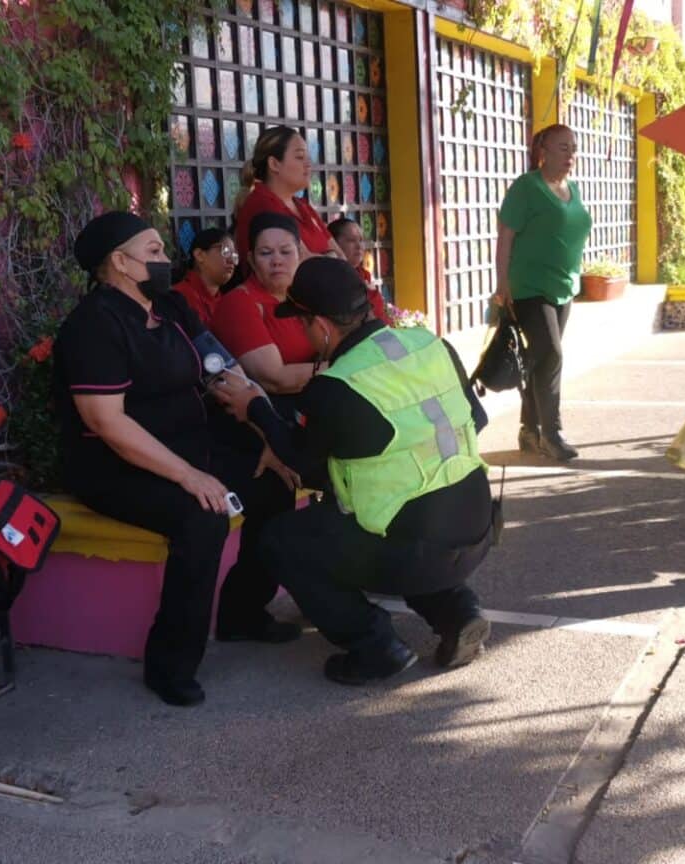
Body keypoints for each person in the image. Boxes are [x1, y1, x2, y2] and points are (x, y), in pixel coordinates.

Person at [52, 212, 300, 709]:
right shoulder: (93, 326)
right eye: (153, 252)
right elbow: (108, 424)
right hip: (115, 465)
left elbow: (223, 371)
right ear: (120, 263)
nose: (167, 259)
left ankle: (241, 614)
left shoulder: (170, 308)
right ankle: (170, 664)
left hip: (190, 447)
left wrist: (265, 433)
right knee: (202, 518)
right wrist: (190, 477)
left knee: (272, 486)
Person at [210, 258, 496, 685]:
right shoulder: (428, 343)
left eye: (304, 326)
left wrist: (256, 409)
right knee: (410, 520)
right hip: (479, 525)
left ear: (322, 326)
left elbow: (305, 469)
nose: (305, 337)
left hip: (414, 550)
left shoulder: (338, 384)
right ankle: (458, 611)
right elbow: (477, 418)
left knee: (283, 539)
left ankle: (375, 645)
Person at [494, 124, 593, 462]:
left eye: (574, 148)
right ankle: (552, 434)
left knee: (540, 359)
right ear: (543, 151)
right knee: (551, 353)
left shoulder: (572, 188)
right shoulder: (527, 187)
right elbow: (506, 235)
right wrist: (502, 283)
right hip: (529, 287)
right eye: (563, 147)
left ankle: (528, 430)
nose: (571, 155)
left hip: (563, 287)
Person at [212, 213, 319, 395]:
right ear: (252, 260)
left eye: (285, 252)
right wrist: (344, 367)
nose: (277, 261)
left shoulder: (308, 296)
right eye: (266, 253)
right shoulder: (238, 303)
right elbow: (274, 380)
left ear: (300, 255)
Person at [232, 125, 334, 264]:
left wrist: (332, 259)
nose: (308, 164)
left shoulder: (302, 206)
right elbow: (304, 264)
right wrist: (332, 258)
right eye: (299, 157)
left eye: (307, 157)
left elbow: (340, 256)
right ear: (274, 164)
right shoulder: (263, 205)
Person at [327, 216, 393, 325]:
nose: (359, 246)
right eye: (351, 240)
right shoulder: (331, 280)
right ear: (334, 245)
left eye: (361, 240)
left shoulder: (363, 274)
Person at [173, 227, 238, 327]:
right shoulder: (178, 298)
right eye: (225, 251)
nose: (232, 261)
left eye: (234, 256)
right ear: (199, 255)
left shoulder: (226, 303)